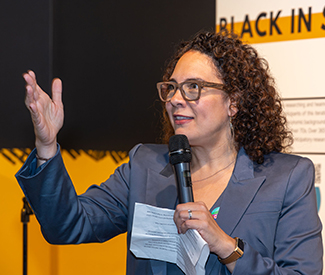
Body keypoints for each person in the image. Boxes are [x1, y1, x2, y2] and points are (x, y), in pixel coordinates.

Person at [16, 30, 322, 274]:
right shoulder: (144, 166)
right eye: (171, 88)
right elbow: (67, 225)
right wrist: (47, 146)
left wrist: (227, 246)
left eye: (193, 87)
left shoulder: (287, 178)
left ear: (234, 102)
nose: (176, 99)